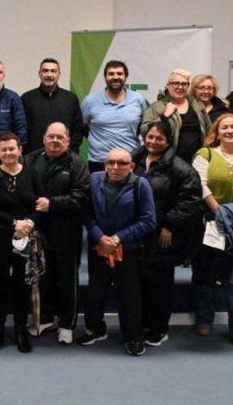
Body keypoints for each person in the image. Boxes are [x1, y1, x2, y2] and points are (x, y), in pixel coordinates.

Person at [78, 148, 156, 357]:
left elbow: (149, 221)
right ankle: (95, 329)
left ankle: (133, 337)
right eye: (110, 162)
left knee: (129, 295)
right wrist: (99, 236)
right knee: (96, 291)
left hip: (128, 250)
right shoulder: (94, 179)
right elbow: (86, 213)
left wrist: (117, 238)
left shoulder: (141, 185)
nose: (115, 167)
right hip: (99, 248)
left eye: (121, 163)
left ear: (131, 166)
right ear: (104, 165)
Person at [191, 113, 233, 348]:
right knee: (205, 273)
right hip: (210, 221)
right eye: (225, 127)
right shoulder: (205, 154)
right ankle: (204, 319)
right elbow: (200, 183)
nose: (230, 130)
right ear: (217, 132)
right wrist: (219, 211)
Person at [131, 122, 203, 347]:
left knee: (159, 284)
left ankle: (158, 329)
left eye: (159, 139)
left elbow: (189, 201)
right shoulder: (133, 160)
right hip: (137, 233)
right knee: (140, 281)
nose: (153, 142)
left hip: (164, 234)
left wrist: (169, 226)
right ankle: (142, 324)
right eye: (150, 137)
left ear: (168, 141)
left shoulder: (181, 168)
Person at [23, 122, 90, 345]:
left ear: (68, 142)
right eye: (51, 136)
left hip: (66, 231)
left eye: (60, 138)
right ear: (43, 139)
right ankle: (46, 318)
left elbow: (82, 197)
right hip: (39, 231)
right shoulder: (31, 159)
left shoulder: (77, 164)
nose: (55, 141)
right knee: (44, 277)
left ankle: (66, 325)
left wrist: (53, 204)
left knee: (66, 279)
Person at [0, 133, 40, 353]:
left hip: (24, 238)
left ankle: (19, 329)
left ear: (20, 150)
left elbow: (40, 203)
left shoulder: (32, 174)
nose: (8, 153)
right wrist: (15, 222)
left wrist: (30, 222)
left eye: (11, 149)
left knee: (21, 284)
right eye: (3, 150)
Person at [82, 60, 148, 172]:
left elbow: (143, 127)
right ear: (105, 77)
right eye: (111, 74)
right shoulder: (90, 101)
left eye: (119, 74)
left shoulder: (138, 99)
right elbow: (82, 127)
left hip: (130, 159)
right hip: (99, 161)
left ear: (126, 77)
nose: (115, 77)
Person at [140, 68, 211, 164]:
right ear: (168, 86)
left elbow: (209, 131)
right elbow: (145, 130)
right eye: (176, 83)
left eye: (184, 84)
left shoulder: (197, 105)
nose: (180, 87)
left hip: (197, 161)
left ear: (188, 86)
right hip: (168, 163)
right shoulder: (157, 107)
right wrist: (165, 115)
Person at [21, 58, 84, 155]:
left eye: (53, 71)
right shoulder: (27, 98)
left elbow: (78, 129)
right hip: (34, 158)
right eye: (45, 71)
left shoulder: (71, 99)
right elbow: (21, 128)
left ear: (59, 74)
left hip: (65, 157)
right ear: (39, 74)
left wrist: (70, 149)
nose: (49, 75)